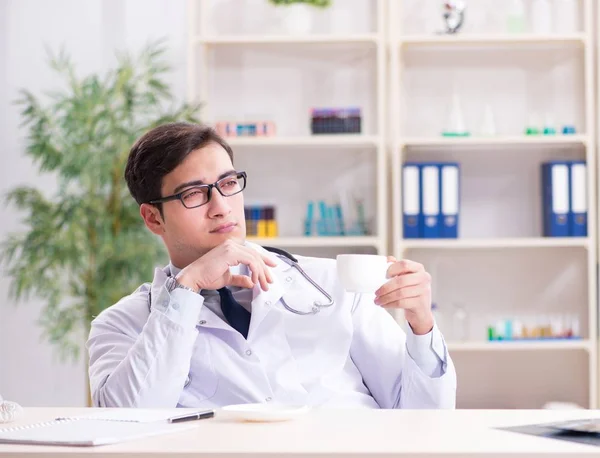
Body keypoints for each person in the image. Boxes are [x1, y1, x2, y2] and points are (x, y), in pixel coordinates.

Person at [87, 122, 456, 409]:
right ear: (153, 219)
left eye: (228, 183)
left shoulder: (331, 284)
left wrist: (421, 325)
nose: (221, 206)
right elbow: (127, 424)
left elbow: (422, 417)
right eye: (194, 194)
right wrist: (186, 290)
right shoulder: (122, 325)